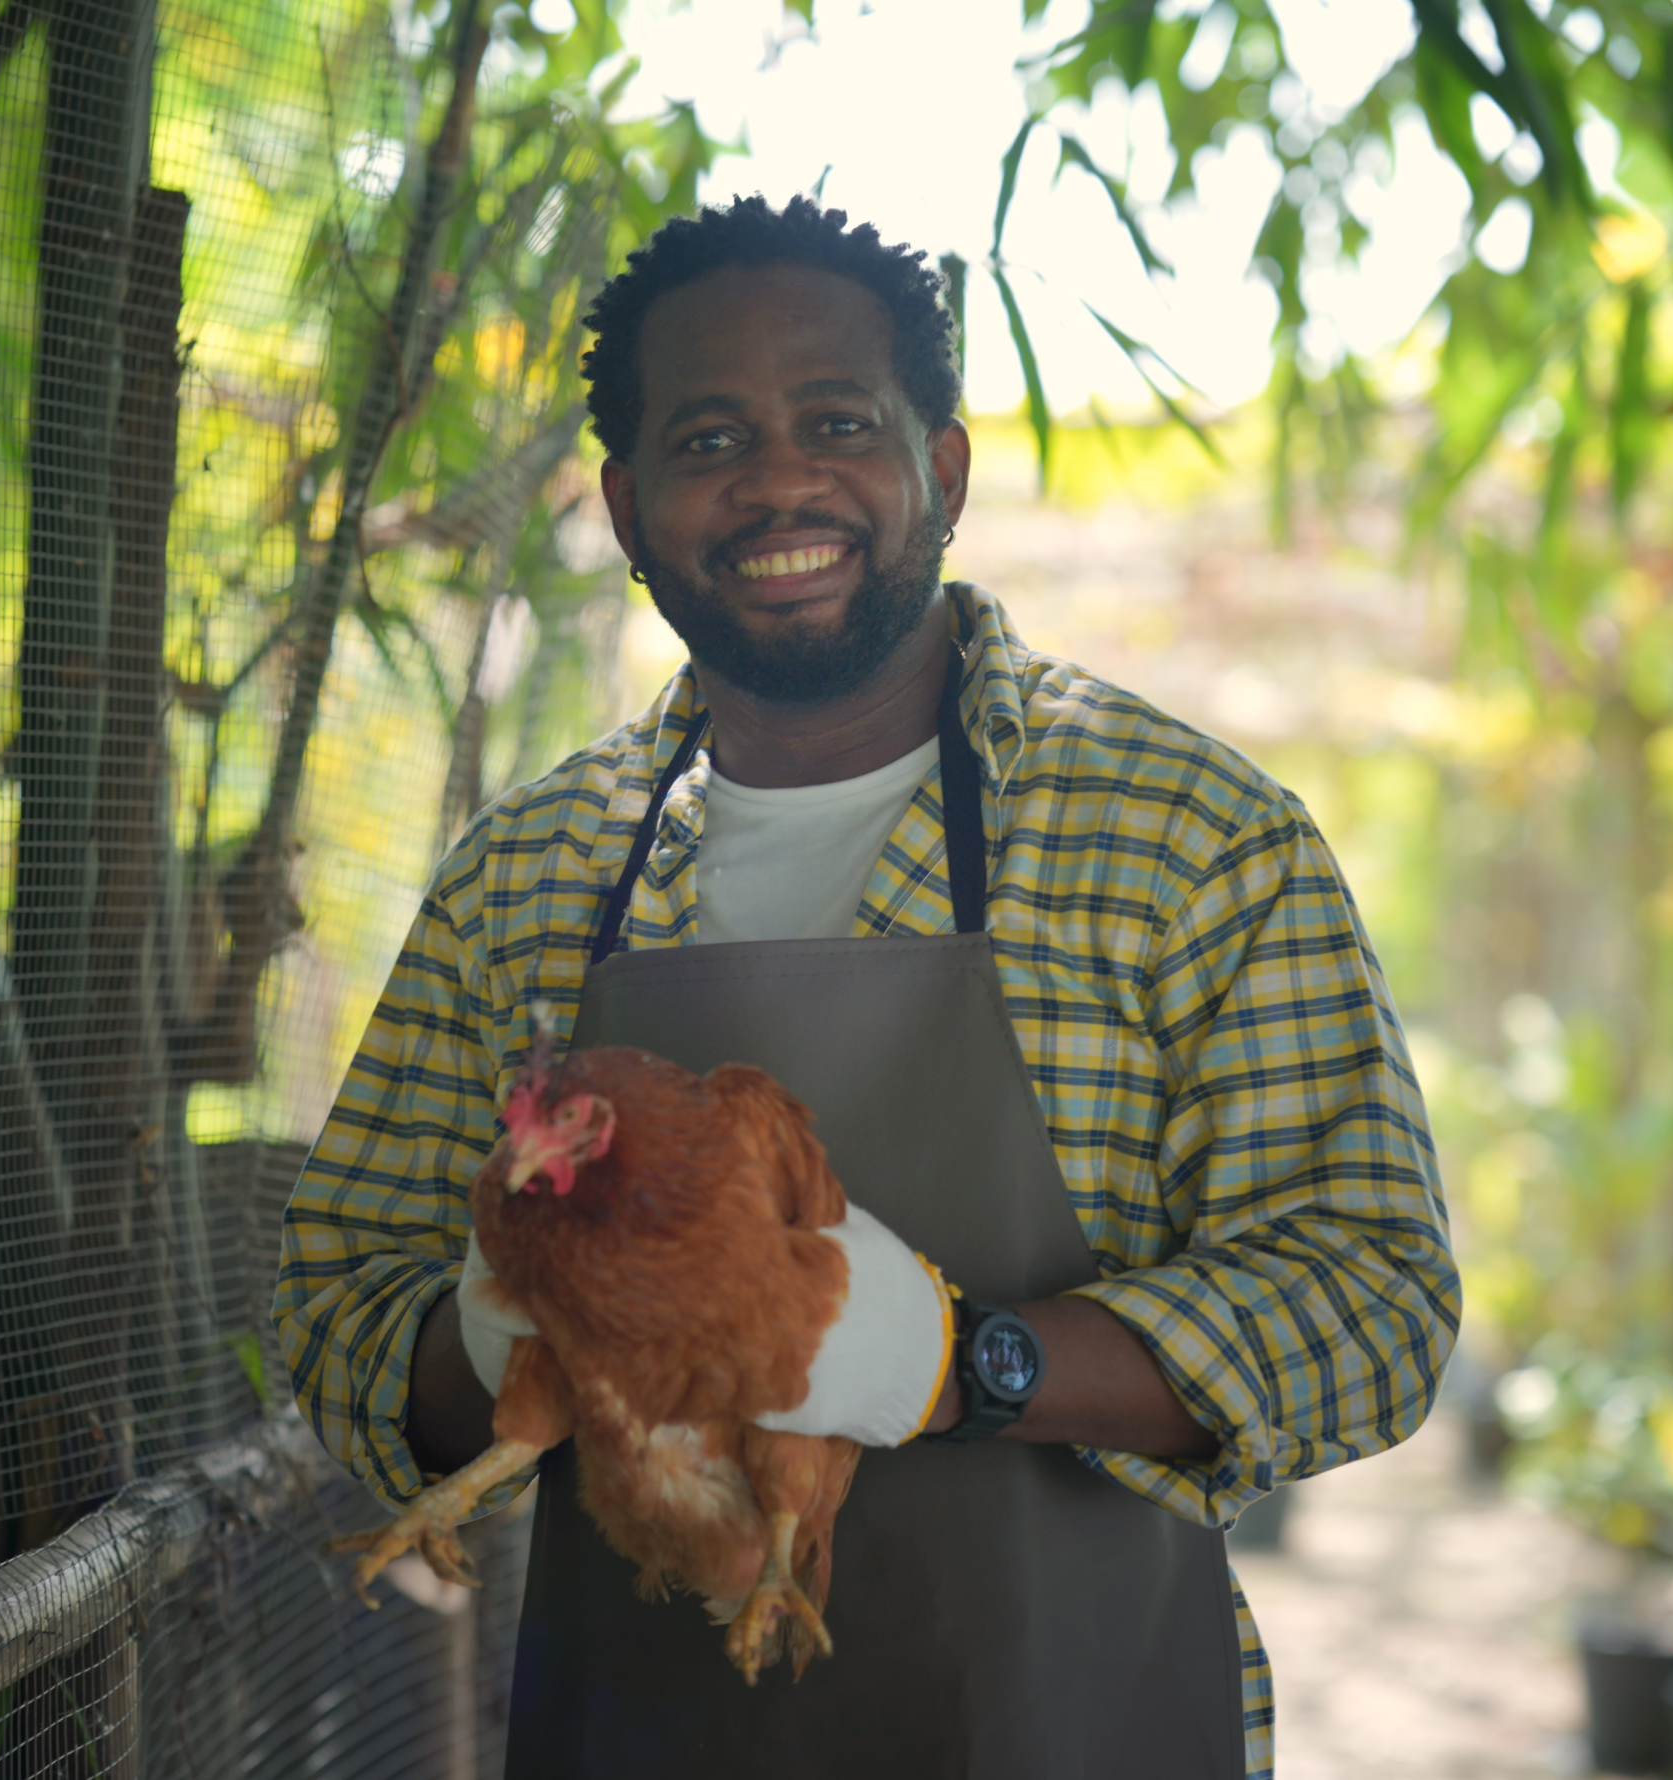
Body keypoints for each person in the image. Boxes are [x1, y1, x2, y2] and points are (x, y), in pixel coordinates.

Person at [275, 193, 1459, 1780]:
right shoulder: (528, 878)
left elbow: (1372, 1297)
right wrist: (512, 1335)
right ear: (628, 509)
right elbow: (335, 1304)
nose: (778, 480)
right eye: (708, 440)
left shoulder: (1183, 835)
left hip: (1077, 1728)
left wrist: (960, 1363)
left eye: (837, 421)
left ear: (941, 472)